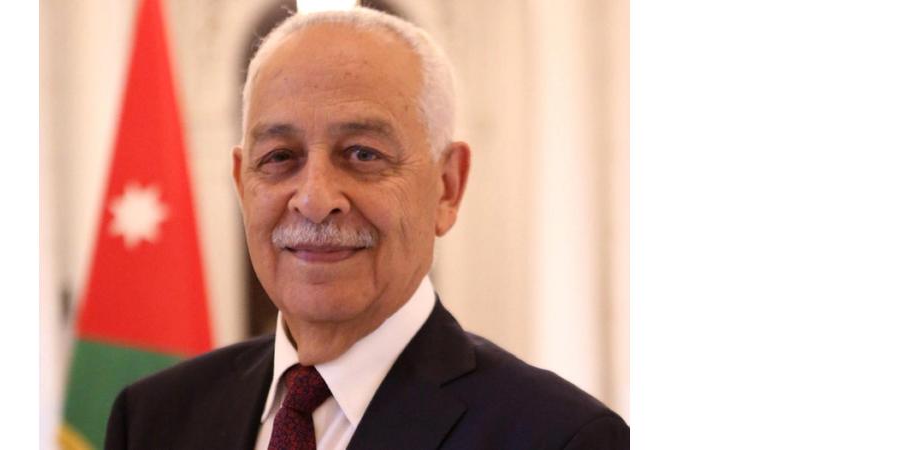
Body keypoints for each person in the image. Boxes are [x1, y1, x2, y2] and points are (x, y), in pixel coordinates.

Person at [104, 7, 629, 450]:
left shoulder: (561, 438)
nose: (314, 200)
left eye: (362, 154)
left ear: (447, 187)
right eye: (280, 157)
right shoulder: (151, 421)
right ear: (243, 186)